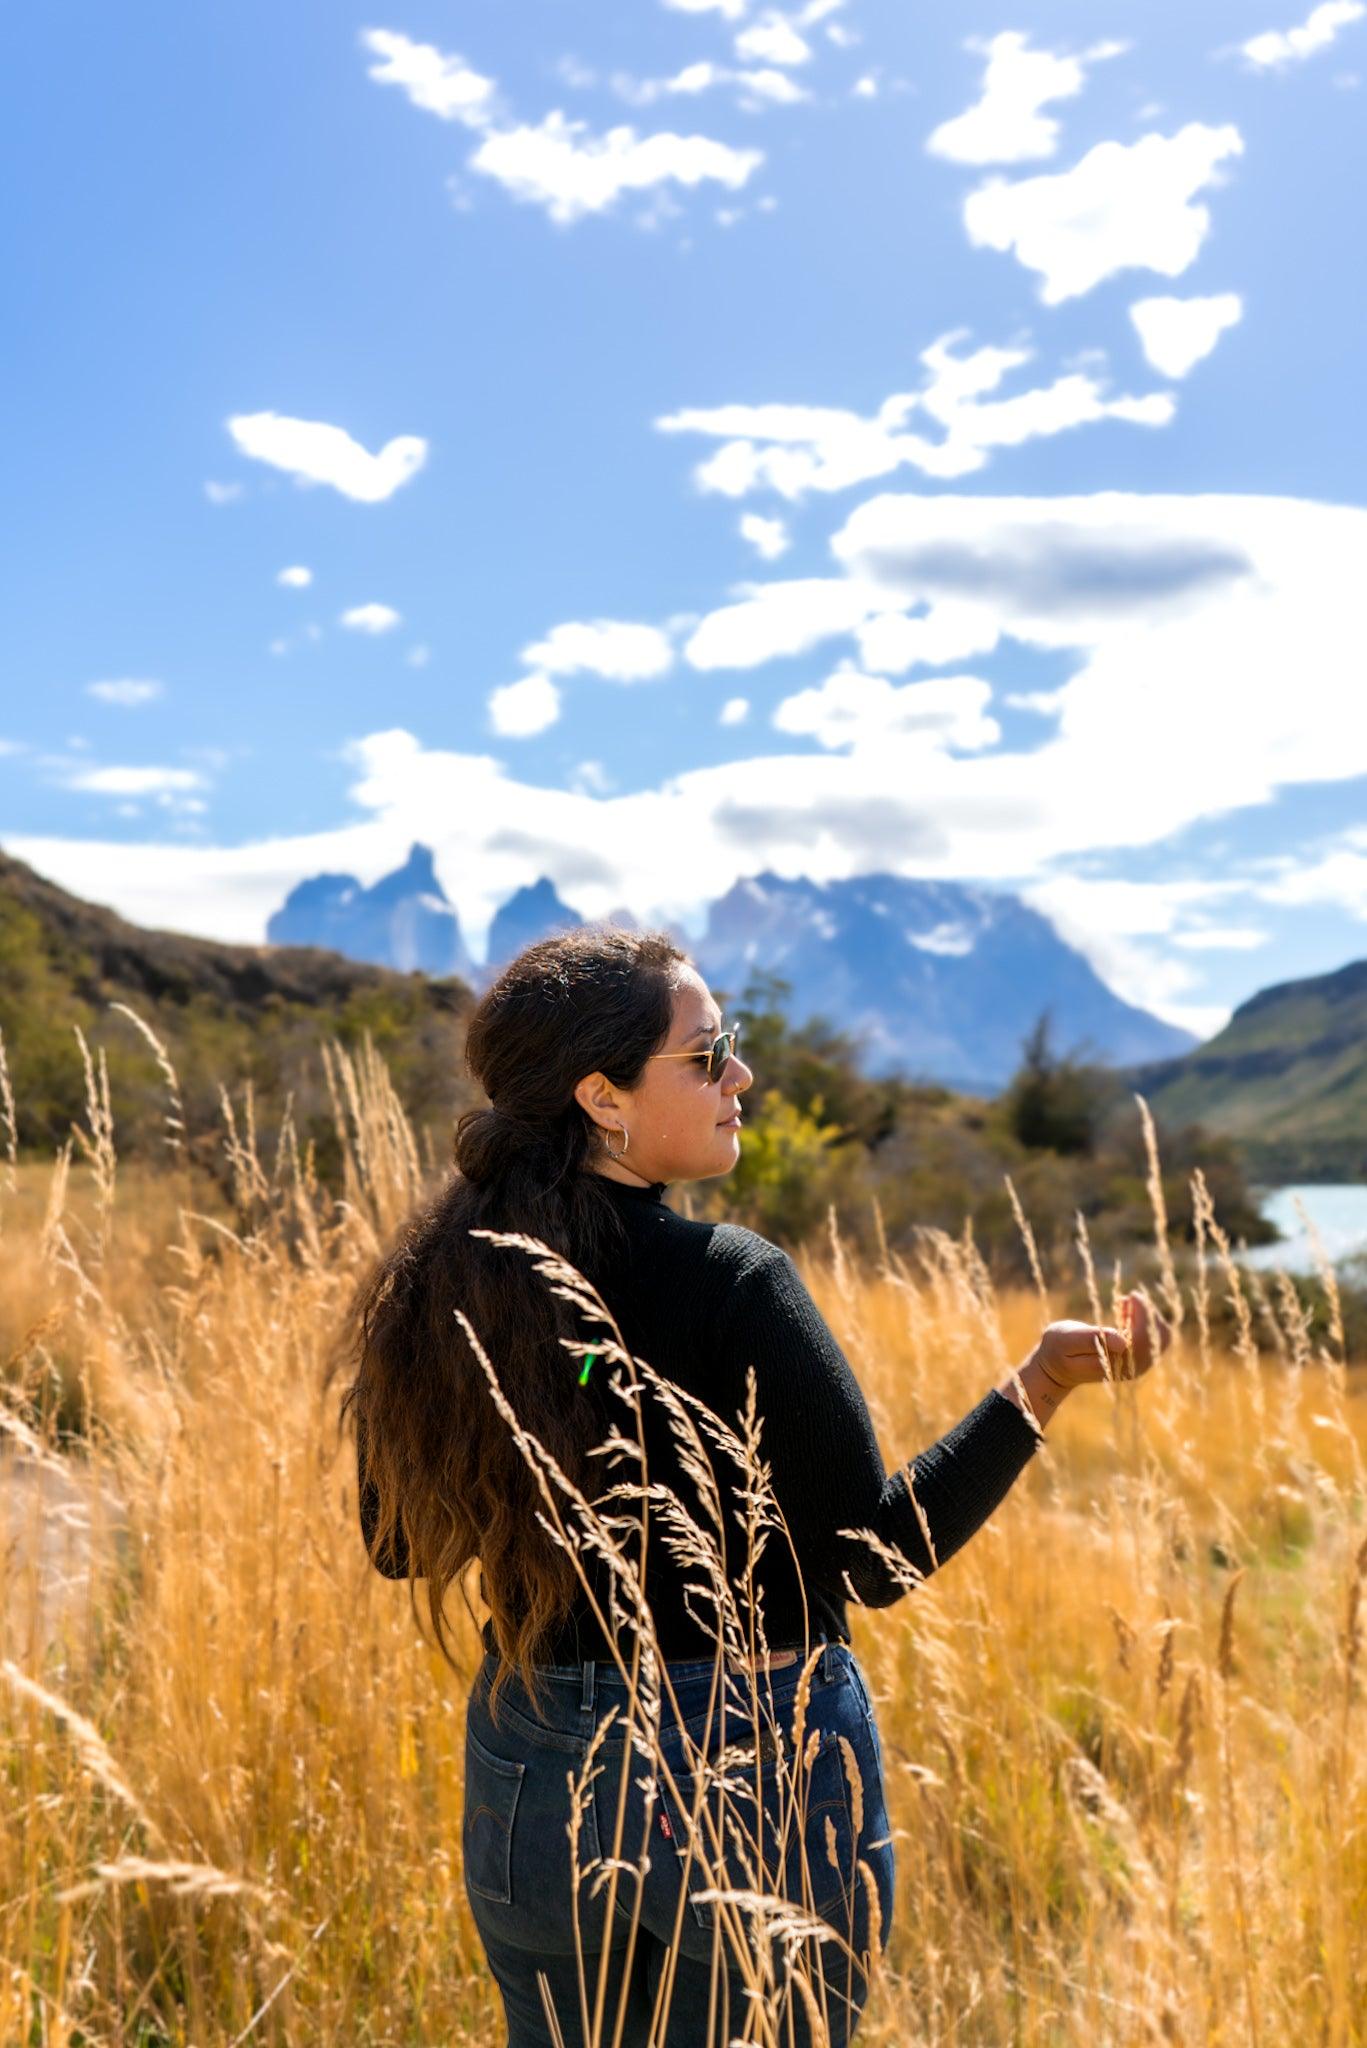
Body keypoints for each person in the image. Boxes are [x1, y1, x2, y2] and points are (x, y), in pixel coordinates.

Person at [335, 925, 1169, 2047]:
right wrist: (1042, 1381)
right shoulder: (732, 1282)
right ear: (601, 1095)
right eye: (707, 1054)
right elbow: (875, 1557)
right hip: (749, 1767)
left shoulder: (445, 1281)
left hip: (531, 1762)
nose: (742, 1075)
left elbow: (397, 1544)